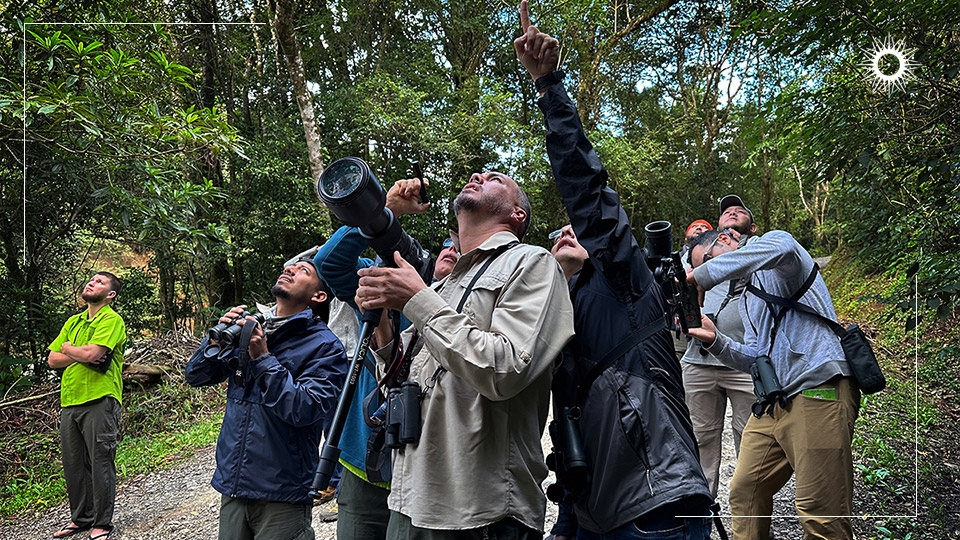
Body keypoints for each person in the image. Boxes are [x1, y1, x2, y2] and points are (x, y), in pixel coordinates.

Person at [516, 4, 712, 538]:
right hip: (589, 508)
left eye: (573, 231)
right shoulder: (556, 303)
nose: (564, 233)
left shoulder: (624, 282)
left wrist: (550, 85)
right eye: (554, 232)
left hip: (657, 501)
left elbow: (588, 194)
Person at [354, 168, 575, 538]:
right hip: (409, 501)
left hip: (479, 511)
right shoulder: (441, 284)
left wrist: (417, 301)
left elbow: (504, 369)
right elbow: (403, 379)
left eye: (496, 179)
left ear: (516, 214)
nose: (477, 174)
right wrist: (380, 323)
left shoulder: (533, 264)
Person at [685, 225, 859, 539]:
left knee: (820, 513)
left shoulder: (774, 248)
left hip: (817, 386)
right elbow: (755, 357)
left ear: (725, 239)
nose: (706, 275)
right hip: (775, 401)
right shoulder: (749, 299)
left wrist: (701, 275)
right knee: (745, 491)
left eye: (706, 261)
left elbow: (783, 249)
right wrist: (715, 340)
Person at [312, 176, 459, 540]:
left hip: (427, 468)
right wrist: (384, 209)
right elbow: (329, 263)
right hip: (364, 457)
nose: (450, 250)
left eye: (459, 246)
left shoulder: (465, 306)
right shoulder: (390, 277)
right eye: (444, 245)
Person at [185, 257, 347, 540]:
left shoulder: (324, 345)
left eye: (303, 271)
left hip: (282, 493)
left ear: (318, 295)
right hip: (234, 484)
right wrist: (213, 342)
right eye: (289, 267)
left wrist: (262, 359)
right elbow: (196, 376)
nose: (290, 270)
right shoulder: (252, 327)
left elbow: (305, 409)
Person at [680, 202, 756, 503]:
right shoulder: (700, 252)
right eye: (726, 211)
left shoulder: (763, 249)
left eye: (740, 210)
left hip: (746, 363)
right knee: (700, 440)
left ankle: (751, 523)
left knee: (752, 443)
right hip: (699, 360)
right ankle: (699, 521)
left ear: (750, 228)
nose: (732, 212)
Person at [48, 271, 127, 540]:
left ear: (110, 294)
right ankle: (81, 519)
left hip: (100, 397)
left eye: (100, 282)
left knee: (100, 461)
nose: (92, 283)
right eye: (91, 280)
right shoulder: (74, 321)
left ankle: (102, 524)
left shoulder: (111, 320)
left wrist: (70, 349)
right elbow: (52, 360)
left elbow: (94, 354)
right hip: (70, 399)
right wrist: (78, 352)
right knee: (74, 465)